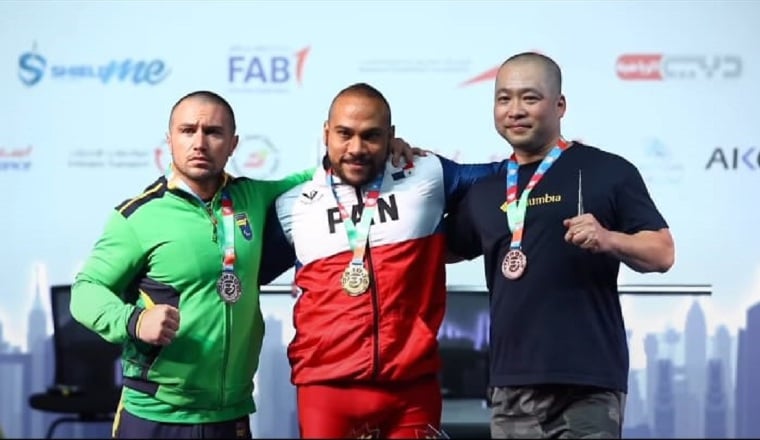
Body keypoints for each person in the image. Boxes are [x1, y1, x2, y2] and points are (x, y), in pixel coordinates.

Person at [69, 90, 416, 439]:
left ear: (233, 143)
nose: (200, 143)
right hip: (154, 414)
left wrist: (383, 148)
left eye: (214, 132)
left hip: (231, 415)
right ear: (169, 139)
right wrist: (134, 320)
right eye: (188, 130)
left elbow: (332, 170)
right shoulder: (138, 218)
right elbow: (86, 291)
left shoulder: (254, 196)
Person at [444, 52, 676, 439]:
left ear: (560, 105)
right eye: (504, 99)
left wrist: (609, 239)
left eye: (529, 98)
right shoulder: (485, 191)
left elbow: (663, 252)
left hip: (587, 384)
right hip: (512, 384)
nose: (515, 110)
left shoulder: (608, 171)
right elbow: (435, 251)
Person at [259, 82, 507, 439]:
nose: (356, 148)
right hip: (325, 392)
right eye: (344, 134)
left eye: (371, 136)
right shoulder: (293, 204)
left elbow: (507, 176)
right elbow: (245, 275)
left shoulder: (426, 173)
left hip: (412, 390)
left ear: (391, 136)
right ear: (326, 132)